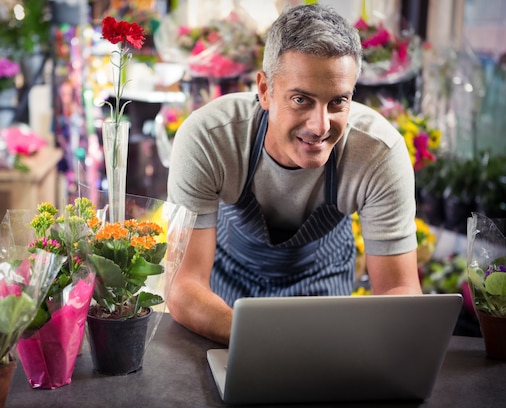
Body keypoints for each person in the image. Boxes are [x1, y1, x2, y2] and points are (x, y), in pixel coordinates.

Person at [165, 4, 423, 345]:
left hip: (323, 288)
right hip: (224, 291)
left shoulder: (378, 153)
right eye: (301, 99)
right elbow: (183, 285)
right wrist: (262, 339)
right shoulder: (210, 137)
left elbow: (400, 289)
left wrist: (333, 344)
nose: (320, 126)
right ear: (265, 90)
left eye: (337, 102)